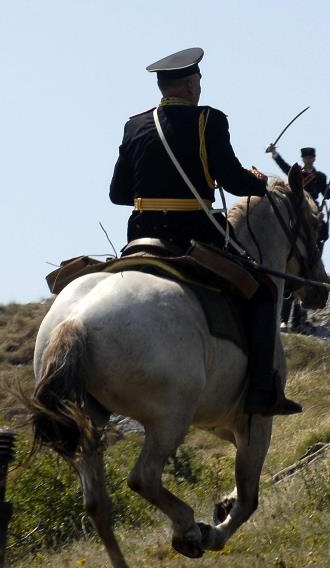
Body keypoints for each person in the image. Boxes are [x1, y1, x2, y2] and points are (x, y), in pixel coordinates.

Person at [108, 47, 301, 416]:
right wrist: (258, 182)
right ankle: (262, 389)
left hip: (140, 237)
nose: (199, 86)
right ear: (190, 84)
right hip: (194, 236)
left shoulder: (134, 124)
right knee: (262, 290)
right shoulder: (208, 121)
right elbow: (231, 178)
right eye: (198, 80)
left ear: (164, 86)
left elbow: (118, 194)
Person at [266, 144, 330, 332]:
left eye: (310, 157)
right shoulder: (297, 174)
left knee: (308, 269)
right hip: (299, 220)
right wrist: (275, 154)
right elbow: (284, 168)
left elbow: (327, 194)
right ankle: (284, 318)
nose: (307, 159)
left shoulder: (320, 177)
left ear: (313, 158)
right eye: (305, 157)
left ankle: (300, 318)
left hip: (313, 223)